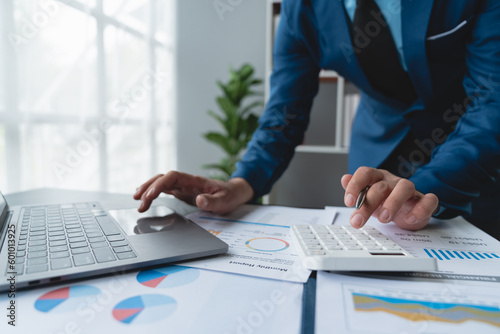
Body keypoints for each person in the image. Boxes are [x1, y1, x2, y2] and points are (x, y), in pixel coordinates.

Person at [135, 0, 500, 240]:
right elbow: (284, 112)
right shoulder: (300, 9)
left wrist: (429, 184)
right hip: (379, 156)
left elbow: (491, 99)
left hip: (476, 153)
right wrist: (242, 183)